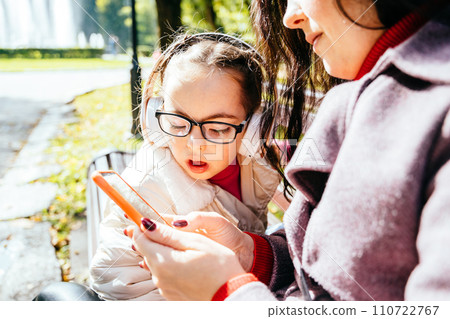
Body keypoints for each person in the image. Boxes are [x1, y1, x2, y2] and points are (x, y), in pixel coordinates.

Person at [125, 0, 450, 301]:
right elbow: (326, 265)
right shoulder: (369, 91)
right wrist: (253, 256)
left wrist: (229, 292)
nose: (289, 16)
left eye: (219, 128)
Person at [89, 33, 282, 300]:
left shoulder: (255, 163)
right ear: (154, 118)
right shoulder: (144, 191)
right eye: (178, 123)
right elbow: (123, 289)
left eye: (217, 128)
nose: (194, 144)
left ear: (251, 129)